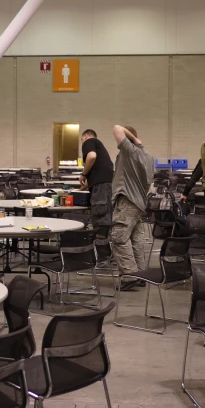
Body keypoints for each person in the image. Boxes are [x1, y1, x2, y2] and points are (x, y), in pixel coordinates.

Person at [109, 125, 154, 291]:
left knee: (119, 237)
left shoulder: (130, 151)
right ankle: (140, 275)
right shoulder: (147, 156)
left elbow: (116, 128)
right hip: (139, 203)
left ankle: (129, 276)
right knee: (135, 239)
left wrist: (134, 140)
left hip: (127, 201)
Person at [79, 129, 114, 227]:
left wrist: (83, 174)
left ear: (85, 136)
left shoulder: (89, 142)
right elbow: (94, 177)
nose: (82, 142)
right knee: (105, 215)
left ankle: (100, 240)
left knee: (100, 218)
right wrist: (80, 190)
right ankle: (104, 240)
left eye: (81, 139)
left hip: (101, 187)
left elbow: (91, 156)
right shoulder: (99, 147)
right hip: (106, 185)